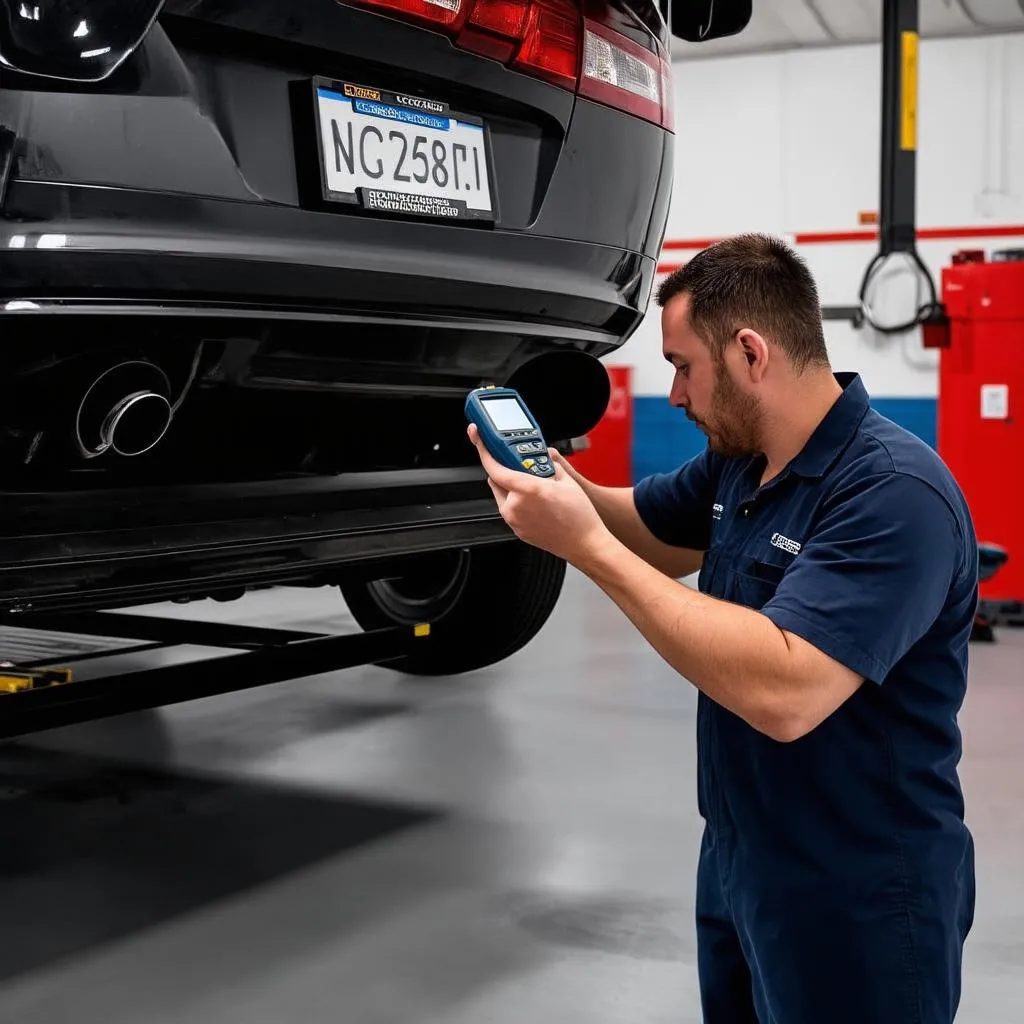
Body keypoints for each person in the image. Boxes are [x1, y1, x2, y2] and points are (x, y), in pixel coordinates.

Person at [467, 233, 977, 1024]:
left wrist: (585, 548)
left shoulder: (893, 493)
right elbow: (643, 527)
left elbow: (787, 688)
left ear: (749, 353)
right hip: (744, 864)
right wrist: (543, 473)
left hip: (862, 892)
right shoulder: (744, 461)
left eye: (682, 367)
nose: (673, 394)